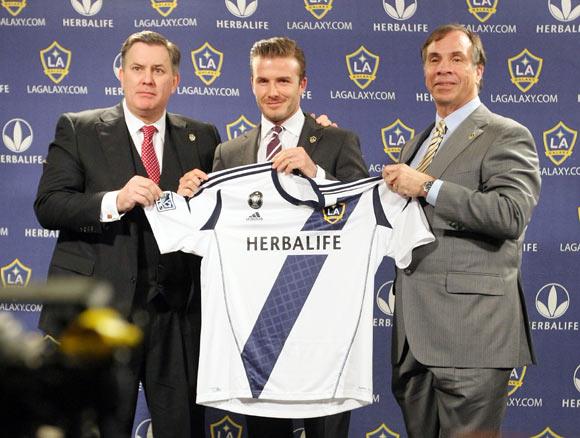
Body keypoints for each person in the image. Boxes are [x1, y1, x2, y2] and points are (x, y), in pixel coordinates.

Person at [179, 36, 368, 438]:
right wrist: (186, 200)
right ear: (251, 84)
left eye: (284, 81)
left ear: (303, 85)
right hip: (258, 330)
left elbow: (360, 214)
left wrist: (317, 175)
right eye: (263, 81)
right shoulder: (229, 153)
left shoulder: (337, 142)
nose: (273, 91)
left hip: (323, 327)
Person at [34, 31, 220, 438]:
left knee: (183, 429)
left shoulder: (203, 137)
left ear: (176, 80)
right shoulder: (79, 129)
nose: (147, 79)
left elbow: (226, 210)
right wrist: (113, 200)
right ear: (121, 74)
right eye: (137, 68)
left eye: (158, 70)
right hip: (98, 311)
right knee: (94, 427)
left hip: (177, 313)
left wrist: (197, 195)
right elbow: (48, 205)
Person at [382, 24, 541, 437]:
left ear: (479, 70)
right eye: (434, 60)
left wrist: (429, 187)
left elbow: (510, 215)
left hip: (472, 337)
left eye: (456, 59)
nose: (444, 69)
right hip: (414, 339)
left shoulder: (506, 134)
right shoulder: (418, 143)